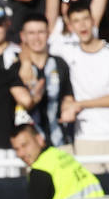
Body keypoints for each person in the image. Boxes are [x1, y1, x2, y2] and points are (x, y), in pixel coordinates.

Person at [51, 0, 109, 173]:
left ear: (93, 20)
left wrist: (80, 104)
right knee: (91, 196)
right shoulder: (66, 52)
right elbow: (35, 46)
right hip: (86, 137)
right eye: (76, 21)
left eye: (85, 19)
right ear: (70, 26)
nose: (82, 25)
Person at [12, 12, 73, 147]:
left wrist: (69, 107)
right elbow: (23, 102)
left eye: (41, 32)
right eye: (31, 33)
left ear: (48, 34)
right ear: (23, 36)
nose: (37, 38)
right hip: (30, 148)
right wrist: (34, 98)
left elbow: (68, 96)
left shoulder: (60, 64)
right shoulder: (16, 68)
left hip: (60, 142)